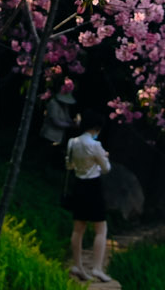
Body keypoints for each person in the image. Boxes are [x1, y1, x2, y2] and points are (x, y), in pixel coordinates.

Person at [64, 110, 114, 283]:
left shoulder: (72, 142)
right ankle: (97, 268)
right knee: (101, 229)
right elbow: (106, 168)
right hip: (93, 187)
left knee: (78, 228)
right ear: (97, 128)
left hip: (78, 186)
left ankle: (77, 265)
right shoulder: (95, 145)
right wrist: (104, 157)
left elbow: (69, 165)